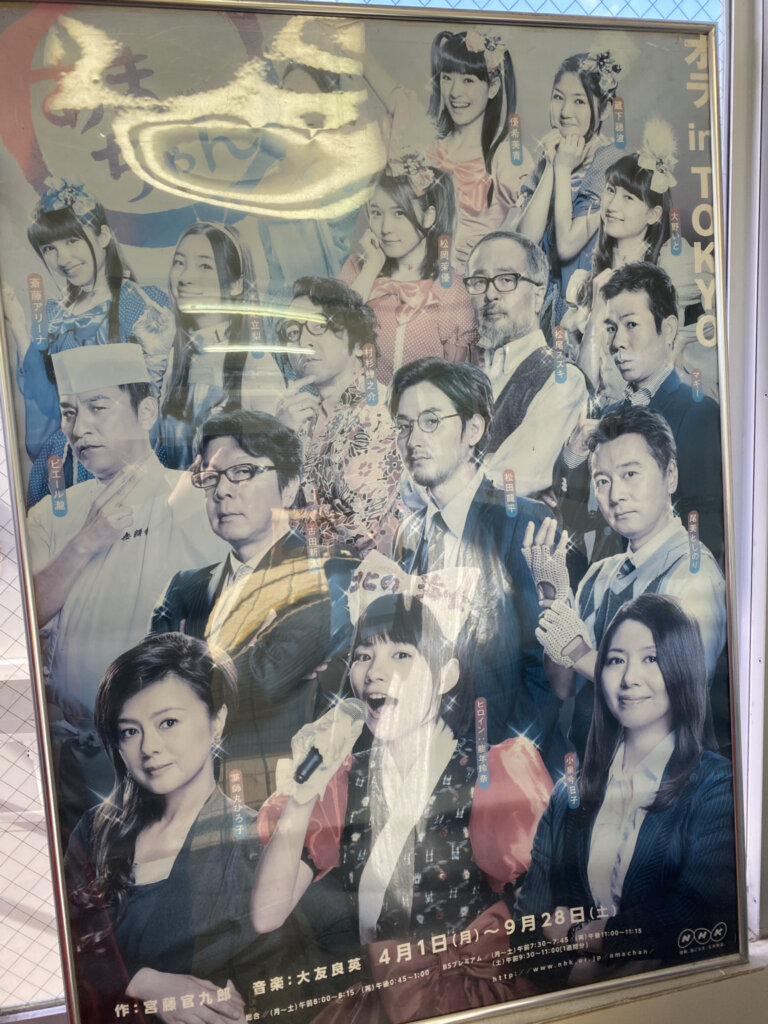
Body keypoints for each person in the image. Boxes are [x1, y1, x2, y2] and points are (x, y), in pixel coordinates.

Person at [253, 557, 552, 1019]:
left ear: (446, 674)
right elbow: (267, 914)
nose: (375, 672)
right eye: (363, 655)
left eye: (401, 655)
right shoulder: (341, 781)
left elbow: (549, 909)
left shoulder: (491, 771)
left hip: (472, 999)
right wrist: (303, 792)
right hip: (383, 1001)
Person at [27, 345, 225, 828]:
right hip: (74, 754)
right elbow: (25, 617)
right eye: (69, 413)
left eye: (98, 407)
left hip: (165, 758)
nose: (79, 428)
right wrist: (84, 542)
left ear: (147, 412)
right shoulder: (52, 513)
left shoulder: (191, 499)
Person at [65, 633, 308, 1024]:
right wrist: (144, 982)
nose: (149, 747)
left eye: (168, 722)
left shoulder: (256, 844)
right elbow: (65, 945)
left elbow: (275, 986)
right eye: (130, 731)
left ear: (216, 722)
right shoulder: (94, 831)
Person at [515, 594, 737, 987]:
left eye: (651, 658)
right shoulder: (569, 792)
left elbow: (706, 914)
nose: (629, 677)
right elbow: (526, 927)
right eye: (616, 660)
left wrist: (602, 937)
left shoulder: (715, 785)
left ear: (682, 668)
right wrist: (572, 966)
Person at [150, 409, 354, 808]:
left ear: (289, 487)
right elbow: (147, 690)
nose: (222, 492)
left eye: (242, 472)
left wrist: (183, 675)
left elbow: (263, 681)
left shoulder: (331, 575)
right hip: (184, 803)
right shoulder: (185, 587)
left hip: (285, 801)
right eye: (211, 477)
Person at [388, 356, 566, 775]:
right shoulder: (409, 534)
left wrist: (501, 770)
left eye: (431, 421)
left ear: (473, 429)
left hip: (510, 771)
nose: (413, 440)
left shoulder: (525, 523)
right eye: (404, 425)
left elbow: (544, 674)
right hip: (431, 770)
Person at [526, 406, 727, 758]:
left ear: (670, 476)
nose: (615, 495)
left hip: (666, 780)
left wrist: (578, 650)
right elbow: (563, 687)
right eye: (603, 481)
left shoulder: (692, 573)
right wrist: (555, 602)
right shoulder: (599, 575)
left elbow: (669, 695)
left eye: (630, 474)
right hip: (593, 776)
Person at [1, 177, 173, 501]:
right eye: (49, 248)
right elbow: (46, 406)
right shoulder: (53, 315)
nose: (63, 258)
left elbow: (159, 397)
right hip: (69, 456)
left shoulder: (142, 303)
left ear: (103, 236)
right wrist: (19, 328)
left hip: (129, 455)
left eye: (71, 241)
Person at [553, 262, 724, 563]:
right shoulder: (609, 414)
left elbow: (704, 541)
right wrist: (573, 455)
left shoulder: (699, 414)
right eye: (611, 328)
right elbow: (575, 516)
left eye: (631, 325)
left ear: (667, 329)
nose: (617, 343)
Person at [362, 28, 533, 272]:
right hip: (407, 277)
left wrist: (492, 252)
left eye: (468, 80)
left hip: (463, 285)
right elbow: (394, 95)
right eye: (447, 77)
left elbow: (535, 228)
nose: (454, 92)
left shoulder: (503, 157)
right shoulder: (427, 141)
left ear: (493, 86)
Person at [575, 120, 716, 400]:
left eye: (628, 198)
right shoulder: (595, 274)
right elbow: (584, 388)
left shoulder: (673, 261)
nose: (612, 206)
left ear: (653, 215)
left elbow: (726, 305)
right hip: (614, 410)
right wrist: (594, 318)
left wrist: (680, 345)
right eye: (610, 190)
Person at [274, 276, 401, 554]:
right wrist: (279, 438)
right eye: (293, 332)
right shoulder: (294, 417)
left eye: (319, 326)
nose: (303, 341)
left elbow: (362, 527)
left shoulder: (385, 410)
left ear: (357, 342)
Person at [463, 230, 588, 497]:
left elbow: (510, 481)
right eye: (478, 281)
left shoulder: (561, 378)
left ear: (538, 296)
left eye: (506, 279)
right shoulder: (465, 378)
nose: (490, 294)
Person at [159, 222, 285, 469]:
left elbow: (272, 465)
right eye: (179, 263)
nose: (185, 278)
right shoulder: (173, 358)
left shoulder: (255, 364)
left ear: (236, 285)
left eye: (205, 266)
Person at [517, 52, 624, 333]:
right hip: (544, 306)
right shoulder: (551, 155)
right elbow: (524, 243)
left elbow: (566, 247)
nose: (565, 111)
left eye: (579, 101)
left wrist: (563, 169)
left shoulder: (611, 162)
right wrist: (552, 166)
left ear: (604, 110)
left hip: (587, 307)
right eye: (558, 97)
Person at [340, 163, 478, 382]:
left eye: (399, 213)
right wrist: (372, 267)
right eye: (376, 212)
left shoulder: (451, 289)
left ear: (429, 216)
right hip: (357, 400)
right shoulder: (357, 269)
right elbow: (334, 331)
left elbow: (456, 380)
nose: (385, 228)